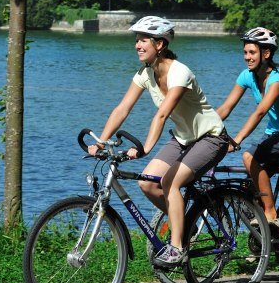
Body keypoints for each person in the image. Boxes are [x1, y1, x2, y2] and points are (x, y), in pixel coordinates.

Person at [87, 16, 229, 266]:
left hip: (211, 138)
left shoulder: (179, 72)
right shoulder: (145, 74)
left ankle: (176, 247)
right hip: (184, 139)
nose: (137, 45)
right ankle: (183, 227)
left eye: (143, 40)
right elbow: (122, 109)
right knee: (147, 183)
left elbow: (162, 113)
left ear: (160, 44)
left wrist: (145, 148)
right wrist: (101, 141)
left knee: (169, 182)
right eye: (137, 40)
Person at [216, 27, 279, 231]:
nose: (247, 57)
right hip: (275, 133)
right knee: (250, 187)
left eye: (252, 53)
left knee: (250, 158)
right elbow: (226, 107)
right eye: (245, 52)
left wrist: (237, 139)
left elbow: (260, 111)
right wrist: (202, 128)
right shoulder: (247, 76)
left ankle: (270, 214)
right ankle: (264, 241)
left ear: (266, 53)